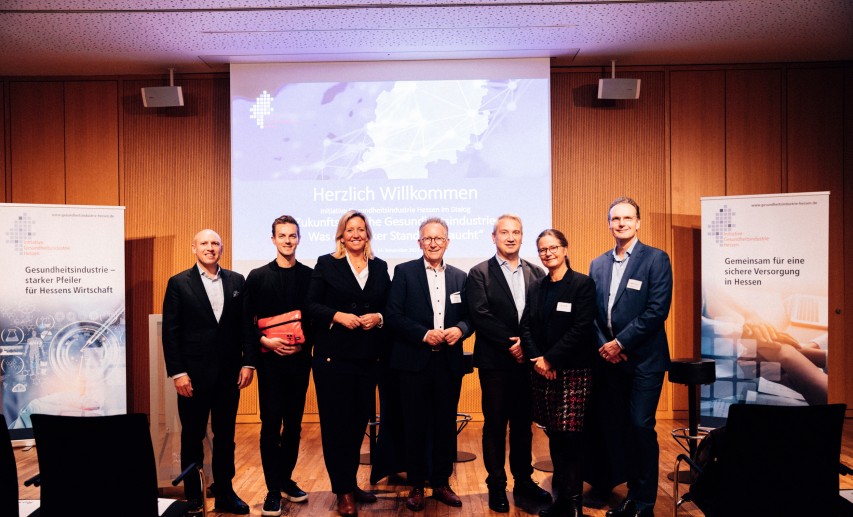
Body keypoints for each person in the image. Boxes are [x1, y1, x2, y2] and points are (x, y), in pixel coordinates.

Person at [588, 197, 673, 517]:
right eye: (615, 219)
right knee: (623, 429)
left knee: (640, 426)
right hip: (610, 362)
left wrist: (620, 343)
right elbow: (592, 313)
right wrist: (604, 346)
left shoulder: (656, 259)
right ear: (609, 224)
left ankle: (645, 503)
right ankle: (632, 496)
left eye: (627, 218)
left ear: (638, 222)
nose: (621, 223)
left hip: (644, 361)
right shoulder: (598, 264)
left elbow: (656, 311)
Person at [162, 229, 255, 515]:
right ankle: (194, 496)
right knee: (192, 436)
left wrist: (249, 363)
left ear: (222, 248)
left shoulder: (237, 281)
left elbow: (246, 326)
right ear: (194, 248)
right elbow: (171, 331)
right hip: (192, 375)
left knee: (225, 436)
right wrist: (178, 372)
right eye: (204, 243)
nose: (210, 247)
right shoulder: (178, 283)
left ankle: (225, 491)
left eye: (215, 243)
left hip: (229, 374)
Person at [306, 210, 390, 517]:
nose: (356, 234)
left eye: (361, 229)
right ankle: (342, 491)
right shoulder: (326, 263)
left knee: (357, 426)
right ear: (341, 234)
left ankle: (351, 483)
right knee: (336, 427)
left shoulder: (379, 266)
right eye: (350, 229)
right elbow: (311, 304)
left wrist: (378, 317)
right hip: (333, 359)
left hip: (368, 359)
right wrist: (337, 315)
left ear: (368, 234)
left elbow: (389, 307)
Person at [385, 217, 473, 511]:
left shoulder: (461, 277)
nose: (433, 243)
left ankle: (441, 482)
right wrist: (424, 335)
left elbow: (471, 318)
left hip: (448, 363)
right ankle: (417, 485)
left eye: (439, 238)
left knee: (445, 425)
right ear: (419, 242)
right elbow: (394, 315)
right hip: (414, 362)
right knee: (415, 425)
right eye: (428, 239)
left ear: (447, 242)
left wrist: (460, 329)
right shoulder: (405, 272)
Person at [466, 214, 551, 512]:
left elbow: (542, 315)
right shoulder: (479, 273)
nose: (511, 237)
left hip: (528, 363)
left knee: (523, 427)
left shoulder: (537, 272)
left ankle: (524, 482)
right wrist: (510, 344)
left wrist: (526, 346)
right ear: (494, 237)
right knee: (495, 425)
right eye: (504, 232)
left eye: (516, 232)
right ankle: (497, 486)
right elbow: (480, 315)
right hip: (495, 363)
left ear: (522, 236)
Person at [520, 229, 597, 517]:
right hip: (542, 371)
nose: (548, 253)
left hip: (573, 372)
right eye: (543, 249)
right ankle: (561, 501)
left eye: (553, 247)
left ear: (565, 249)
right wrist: (538, 359)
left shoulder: (582, 285)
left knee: (570, 438)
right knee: (554, 434)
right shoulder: (537, 286)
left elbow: (581, 328)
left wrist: (551, 359)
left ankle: (574, 505)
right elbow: (526, 326)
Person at [242, 215, 313, 517]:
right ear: (272, 239)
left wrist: (303, 342)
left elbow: (315, 318)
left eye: (292, 236)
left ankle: (285, 479)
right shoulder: (257, 277)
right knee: (271, 426)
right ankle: (272, 490)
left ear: (298, 239)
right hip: (270, 363)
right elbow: (245, 322)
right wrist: (264, 342)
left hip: (299, 361)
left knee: (295, 425)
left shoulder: (310, 276)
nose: (287, 240)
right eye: (282, 235)